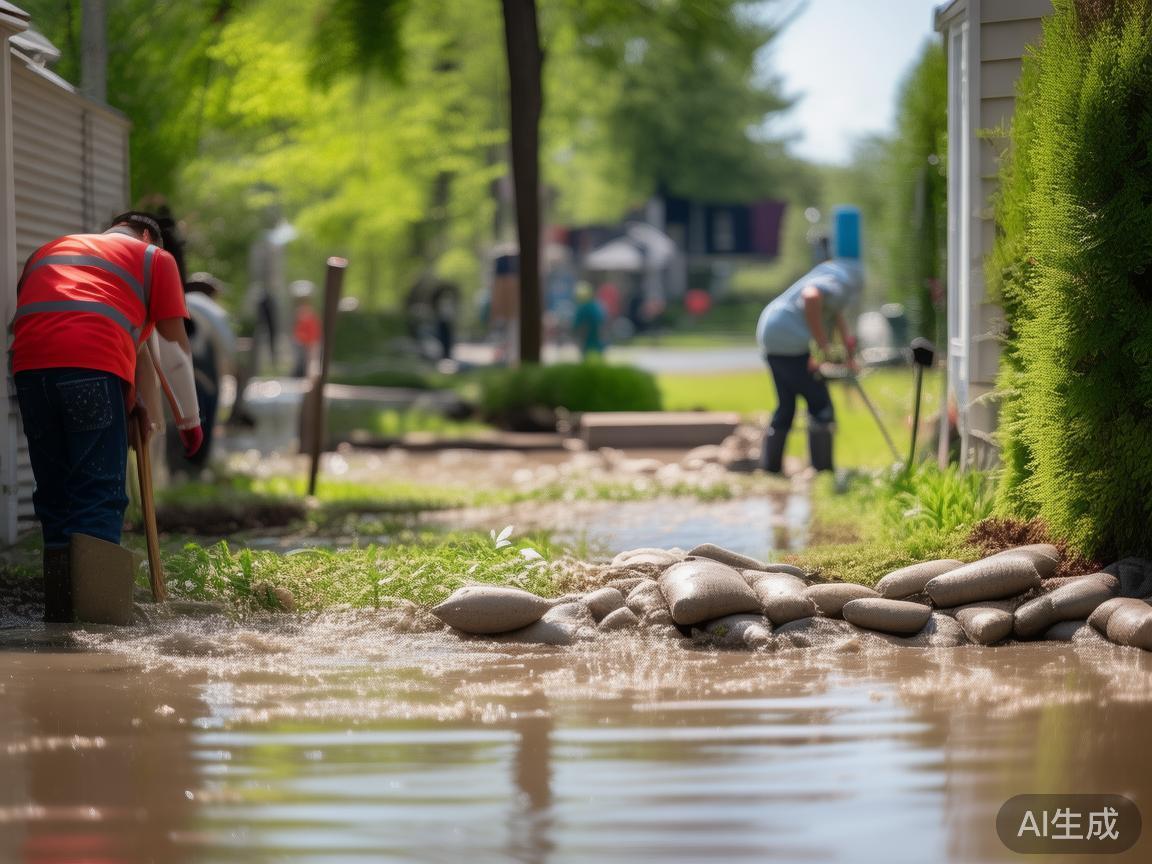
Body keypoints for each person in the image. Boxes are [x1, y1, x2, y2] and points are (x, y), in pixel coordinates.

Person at [10, 211, 203, 622]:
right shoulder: (154, 258)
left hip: (29, 370)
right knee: (98, 492)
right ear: (148, 235)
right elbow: (171, 350)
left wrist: (131, 399)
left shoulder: (51, 250)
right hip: (91, 366)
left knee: (55, 494)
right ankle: (97, 626)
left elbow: (114, 335)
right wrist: (190, 422)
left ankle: (61, 615)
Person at [755, 257, 863, 474]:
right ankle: (822, 470)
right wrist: (823, 344)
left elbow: (836, 316)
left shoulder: (824, 276)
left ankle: (770, 468)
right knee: (820, 404)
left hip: (770, 335)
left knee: (786, 405)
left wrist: (848, 353)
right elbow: (811, 297)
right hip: (790, 339)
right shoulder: (837, 281)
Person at [167, 272, 236, 473]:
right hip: (204, 371)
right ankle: (196, 466)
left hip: (174, 369)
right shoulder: (210, 309)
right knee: (202, 417)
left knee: (176, 417)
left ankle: (176, 467)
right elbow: (228, 347)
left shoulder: (178, 302)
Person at [571, 281, 606, 359]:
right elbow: (601, 321)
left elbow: (577, 325)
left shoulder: (582, 308)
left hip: (586, 338)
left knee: (586, 354)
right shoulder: (595, 306)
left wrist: (575, 333)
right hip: (596, 339)